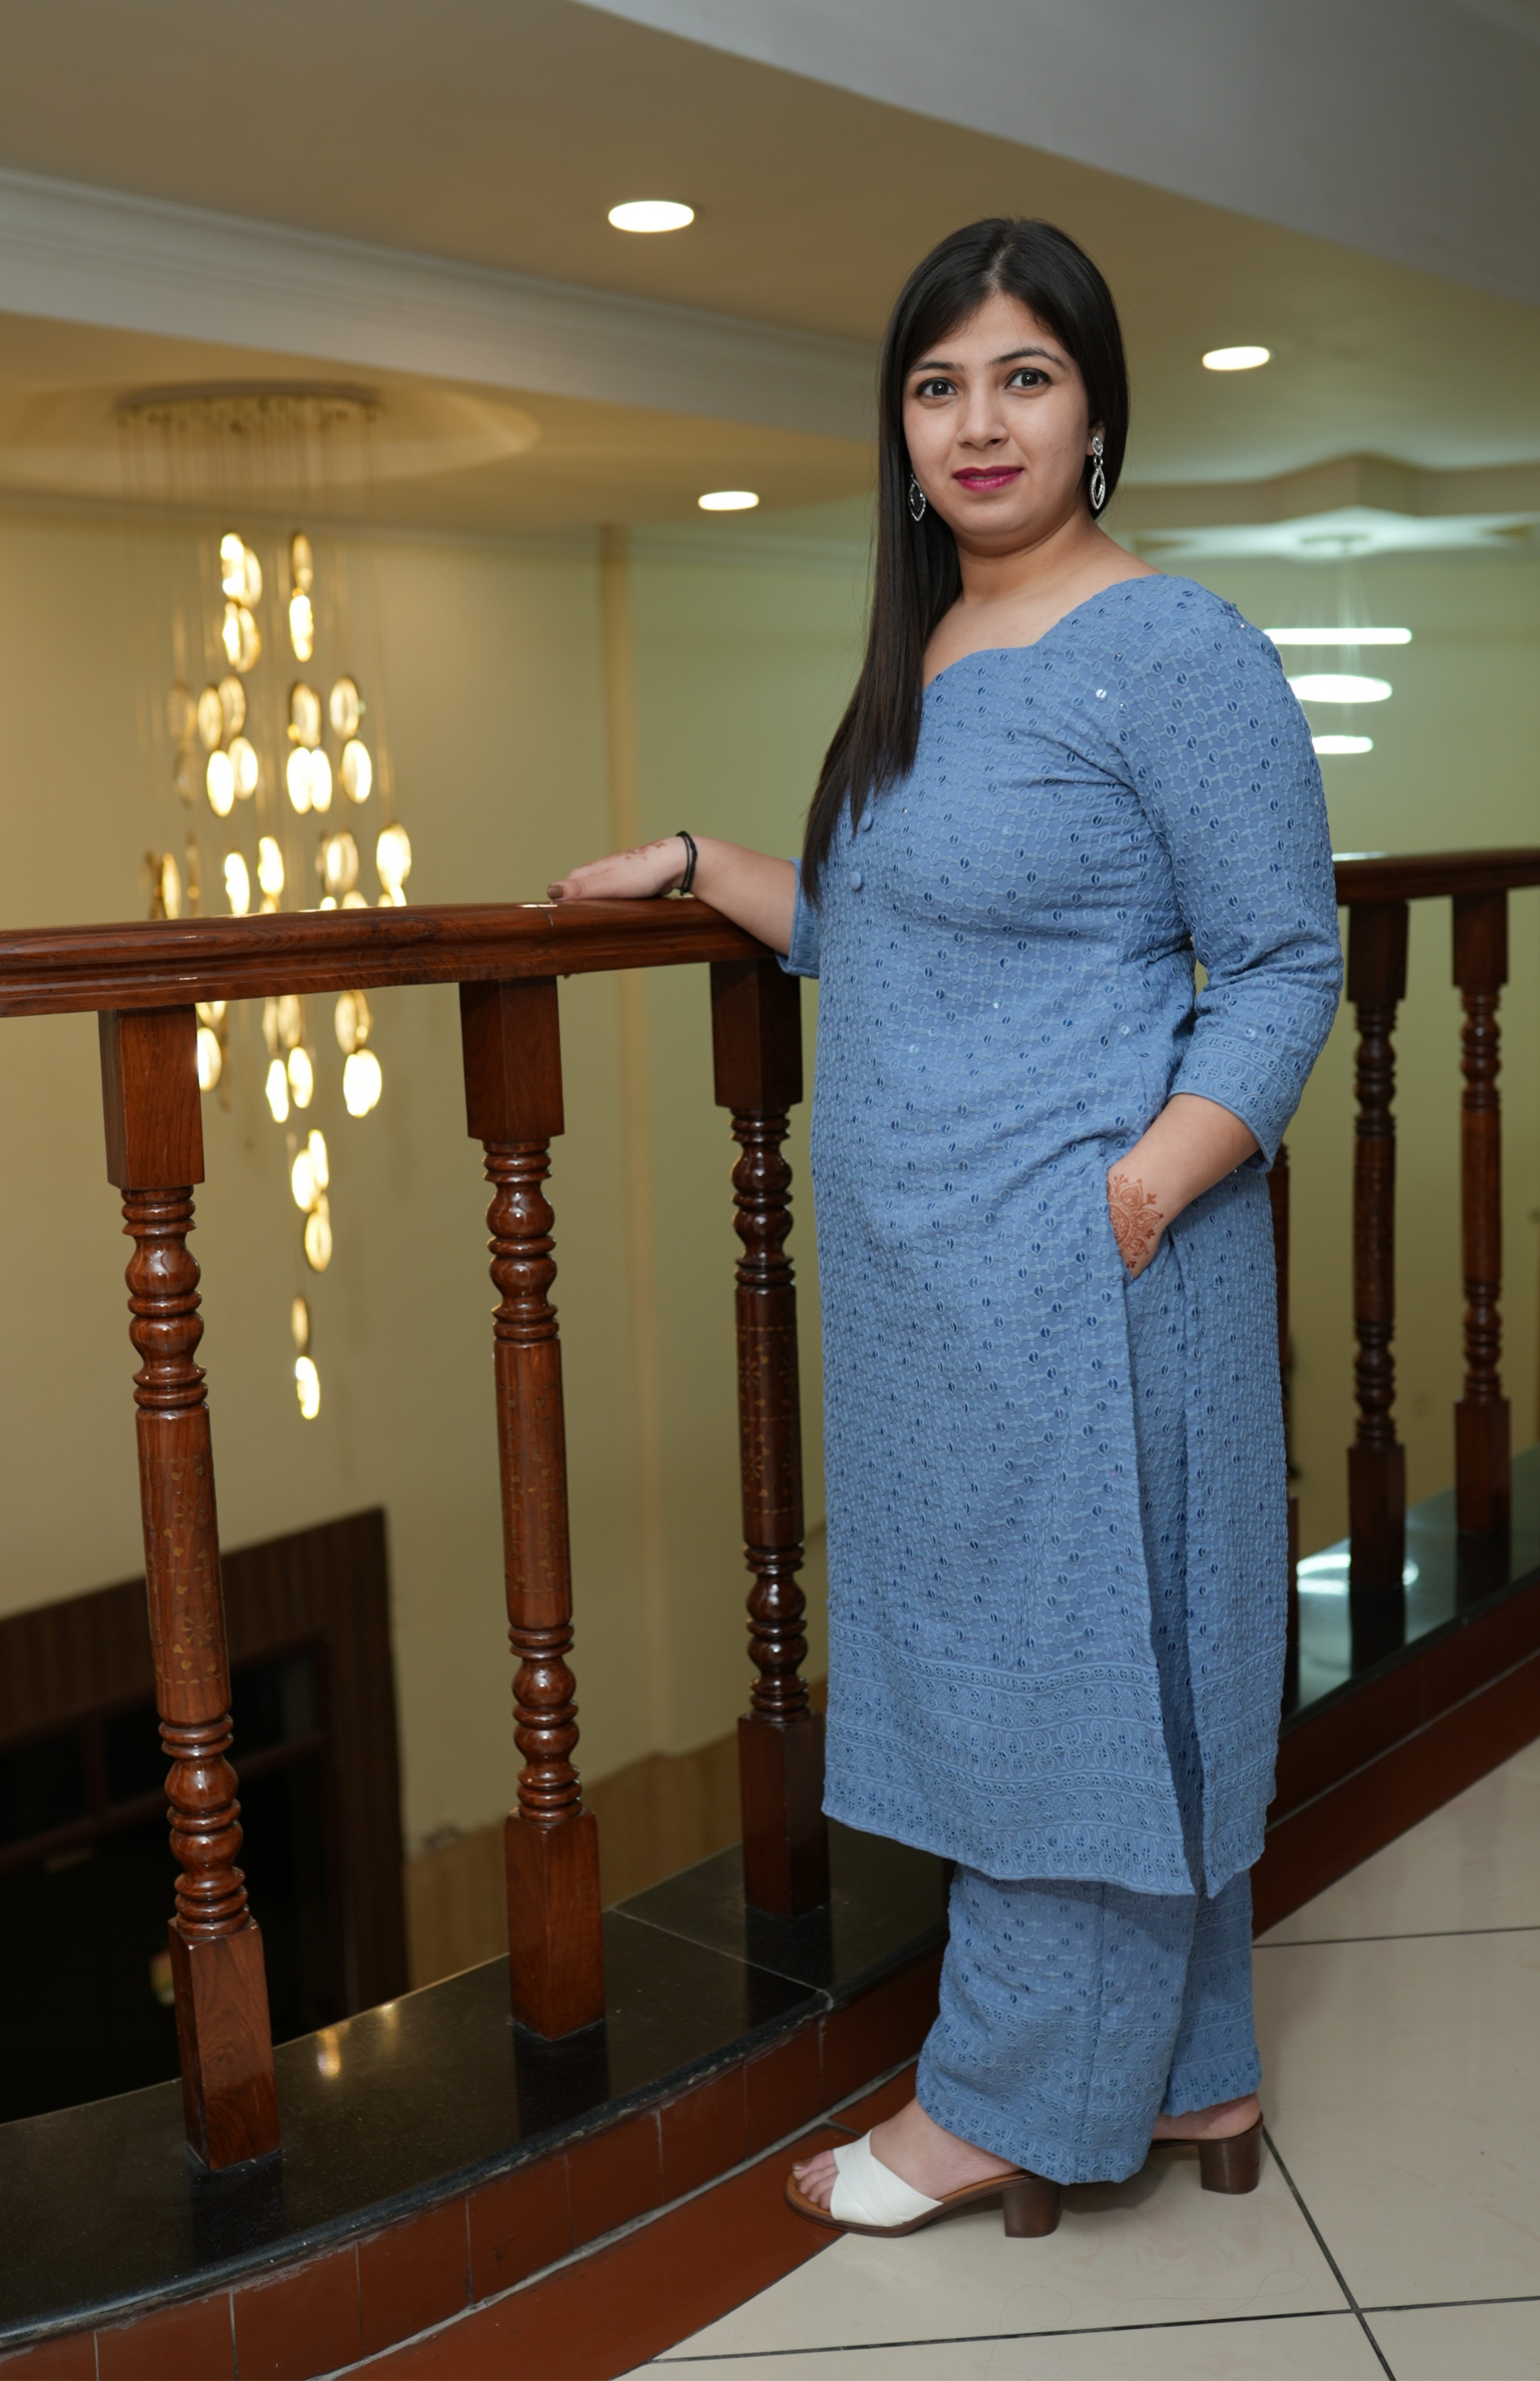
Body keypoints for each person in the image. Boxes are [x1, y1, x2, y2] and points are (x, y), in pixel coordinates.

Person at [550, 217, 1342, 2241]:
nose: (978, 422)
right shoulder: (923, 655)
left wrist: (1151, 1182)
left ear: (1095, 414)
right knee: (1040, 1654)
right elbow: (894, 936)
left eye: (1023, 377)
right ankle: (1193, 2063)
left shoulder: (1173, 647)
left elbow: (1281, 962)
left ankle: (994, 2099)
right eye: (937, 385)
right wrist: (704, 859)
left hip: (1086, 1272)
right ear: (899, 431)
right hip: (937, 1293)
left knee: (1064, 1677)